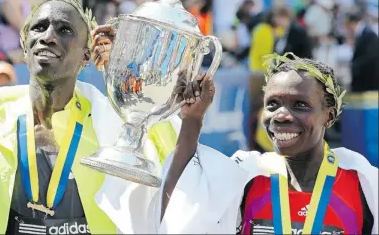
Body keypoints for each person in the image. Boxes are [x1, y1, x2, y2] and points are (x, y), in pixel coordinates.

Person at [0, 0, 190, 234]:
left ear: (86, 55)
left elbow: (173, 160)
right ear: (25, 48)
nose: (48, 37)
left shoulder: (110, 126)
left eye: (65, 30)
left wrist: (125, 78)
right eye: (39, 27)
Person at [153, 53, 378, 234]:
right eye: (272, 104)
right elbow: (181, 210)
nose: (281, 115)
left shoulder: (363, 185)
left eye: (300, 105)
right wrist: (193, 119)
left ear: (328, 117)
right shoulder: (247, 175)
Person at [344, 11, 379, 93]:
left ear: (352, 24)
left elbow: (371, 57)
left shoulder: (370, 35)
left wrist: (354, 64)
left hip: (368, 80)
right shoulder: (362, 35)